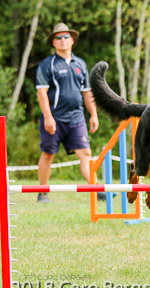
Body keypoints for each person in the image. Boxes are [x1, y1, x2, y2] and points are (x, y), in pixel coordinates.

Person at [35, 23, 107, 202]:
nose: (62, 40)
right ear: (53, 43)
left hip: (76, 117)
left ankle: (97, 190)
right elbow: (41, 92)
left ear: (72, 40)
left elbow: (87, 92)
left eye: (66, 37)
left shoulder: (80, 64)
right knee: (48, 154)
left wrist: (94, 114)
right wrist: (48, 117)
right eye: (58, 38)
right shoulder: (47, 65)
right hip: (54, 118)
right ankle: (42, 193)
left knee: (85, 154)